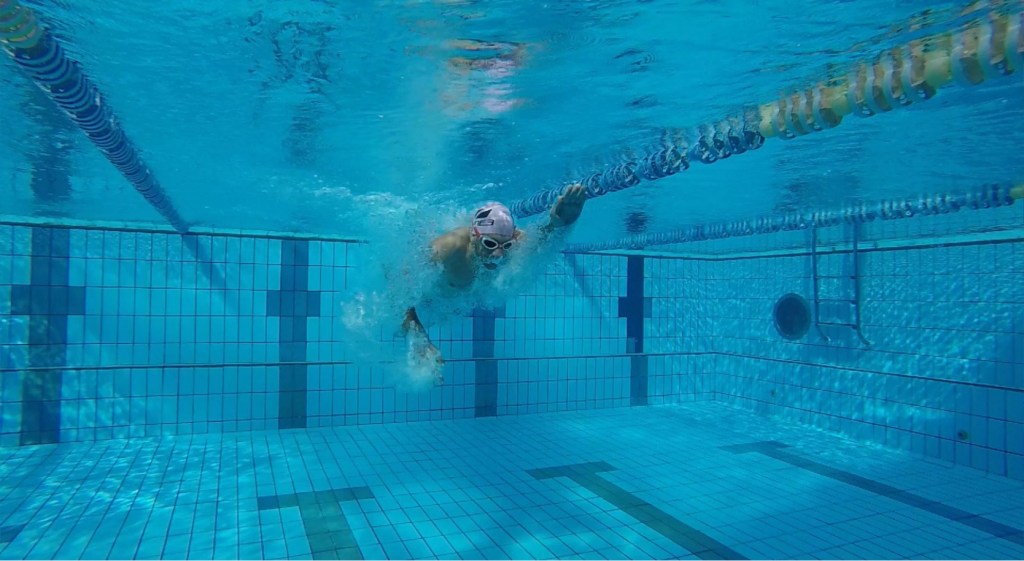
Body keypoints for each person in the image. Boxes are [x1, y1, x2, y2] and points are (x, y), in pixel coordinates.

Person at [400, 183, 588, 381]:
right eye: (489, 244)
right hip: (427, 301)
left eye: (506, 245)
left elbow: (538, 242)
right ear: (474, 235)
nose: (498, 254)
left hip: (456, 301)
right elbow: (399, 286)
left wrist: (558, 225)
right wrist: (418, 339)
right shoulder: (448, 249)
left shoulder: (513, 242)